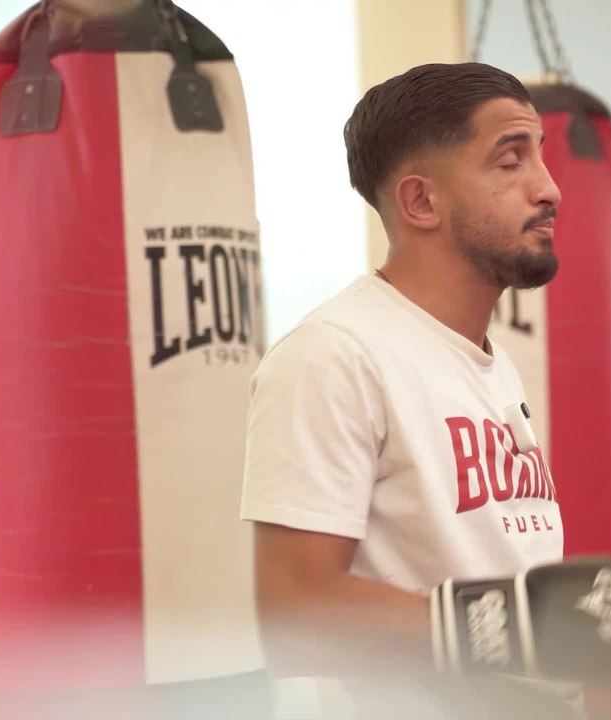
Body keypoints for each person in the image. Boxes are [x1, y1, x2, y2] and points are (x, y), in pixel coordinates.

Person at [238, 62, 576, 718]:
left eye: (541, 157)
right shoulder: (335, 356)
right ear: (422, 201)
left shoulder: (489, 361)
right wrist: (527, 630)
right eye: (511, 162)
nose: (550, 188)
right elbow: (292, 609)